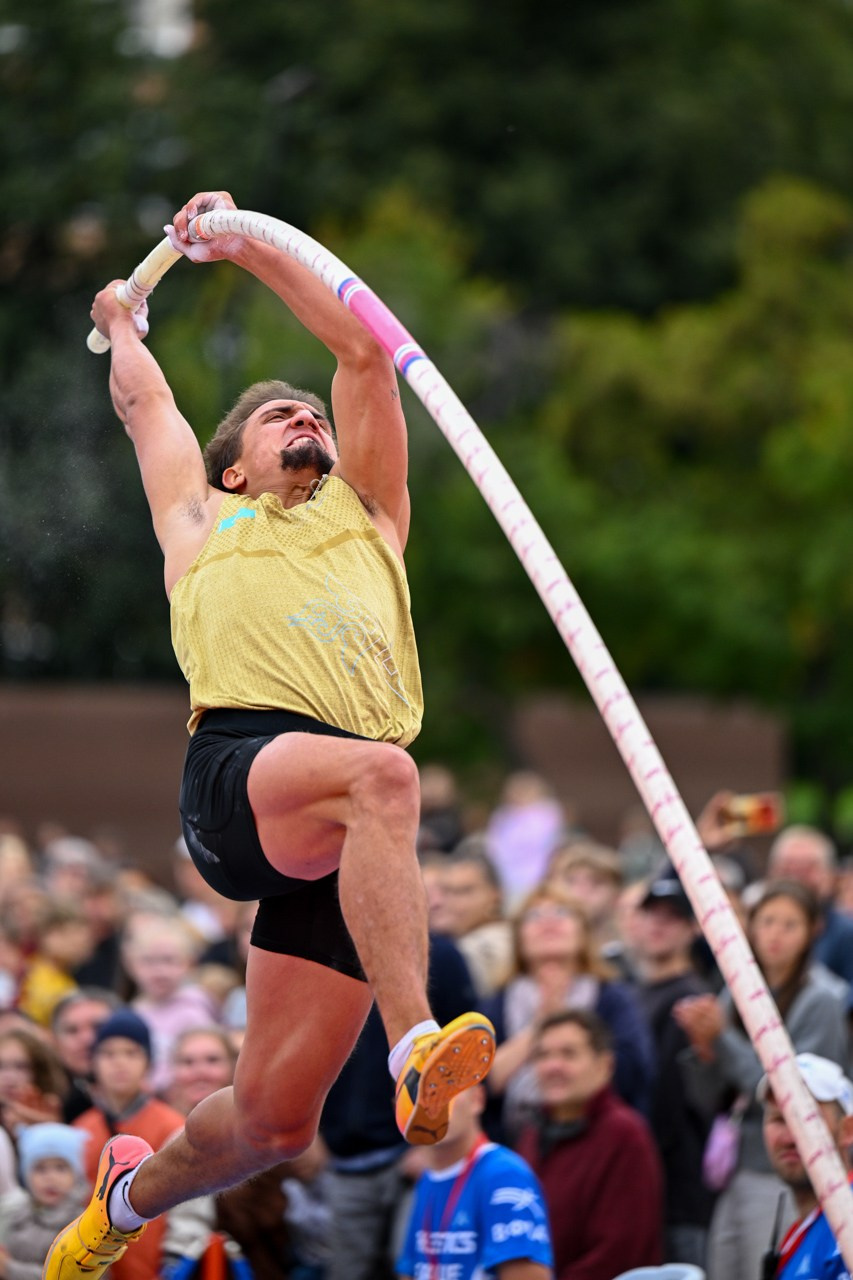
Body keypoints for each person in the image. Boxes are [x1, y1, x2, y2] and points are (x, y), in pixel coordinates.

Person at [46, 188, 494, 1280]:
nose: (308, 420)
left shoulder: (371, 516)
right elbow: (143, 406)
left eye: (315, 417)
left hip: (339, 834)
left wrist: (243, 243)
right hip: (243, 777)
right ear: (233, 464)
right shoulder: (201, 518)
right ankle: (413, 1040)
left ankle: (123, 1199)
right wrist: (122, 321)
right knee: (388, 775)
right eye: (278, 416)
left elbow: (362, 349)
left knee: (272, 1121)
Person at [674, 879, 849, 1280]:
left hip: (787, 1174)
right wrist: (703, 1052)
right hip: (738, 1166)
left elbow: (791, 1096)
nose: (775, 935)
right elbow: (708, 1099)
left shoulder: (821, 998)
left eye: (790, 924)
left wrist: (722, 1038)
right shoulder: (735, 992)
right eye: (767, 921)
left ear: (812, 932)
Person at [484, 882, 654, 1139]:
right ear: (518, 936)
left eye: (562, 913)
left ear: (583, 932)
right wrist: (541, 1024)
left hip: (595, 1138)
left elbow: (632, 1073)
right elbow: (476, 1084)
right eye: (534, 916)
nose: (548, 922)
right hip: (510, 1142)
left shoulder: (612, 997)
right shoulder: (496, 1003)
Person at [516, 1009, 663, 1280]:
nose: (552, 1066)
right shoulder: (533, 1133)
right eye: (543, 1055)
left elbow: (619, 1254)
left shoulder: (625, 1136)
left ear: (605, 1065)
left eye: (568, 1054)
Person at [630, 868, 715, 1268]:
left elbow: (670, 1101)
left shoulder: (692, 999)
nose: (658, 926)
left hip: (677, 1190)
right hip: (644, 1187)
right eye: (651, 914)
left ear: (692, 928)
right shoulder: (634, 992)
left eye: (672, 917)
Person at [396, 1084, 553, 1280]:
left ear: (477, 1098)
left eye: (449, 1090)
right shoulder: (428, 1178)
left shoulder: (504, 1175)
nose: (435, 1102)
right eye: (419, 1092)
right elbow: (409, 1272)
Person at [72, 1009, 185, 1280]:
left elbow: (186, 1207)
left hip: (156, 1266)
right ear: (93, 1063)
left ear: (148, 1062)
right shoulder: (81, 1130)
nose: (119, 1063)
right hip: (93, 1268)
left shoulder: (172, 1126)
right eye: (108, 1054)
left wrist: (177, 1263)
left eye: (131, 1053)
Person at [759, 1052, 853, 1280]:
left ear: (848, 1130)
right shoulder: (813, 1227)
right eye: (778, 1120)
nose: (790, 1137)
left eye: (807, 1118)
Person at [767, 826, 853, 988]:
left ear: (830, 875)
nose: (796, 876)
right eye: (788, 866)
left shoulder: (846, 933)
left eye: (808, 868)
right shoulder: (752, 926)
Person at [0, 1124, 88, 1280]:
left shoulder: (83, 1223)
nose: (50, 1178)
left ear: (76, 1174)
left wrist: (8, 1269)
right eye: (40, 1169)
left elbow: (72, 1275)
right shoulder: (18, 1213)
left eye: (60, 1168)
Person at [49, 988, 120, 1123]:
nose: (87, 1039)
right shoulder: (47, 1101)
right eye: (72, 1030)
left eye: (98, 1027)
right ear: (55, 1042)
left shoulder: (154, 1100)